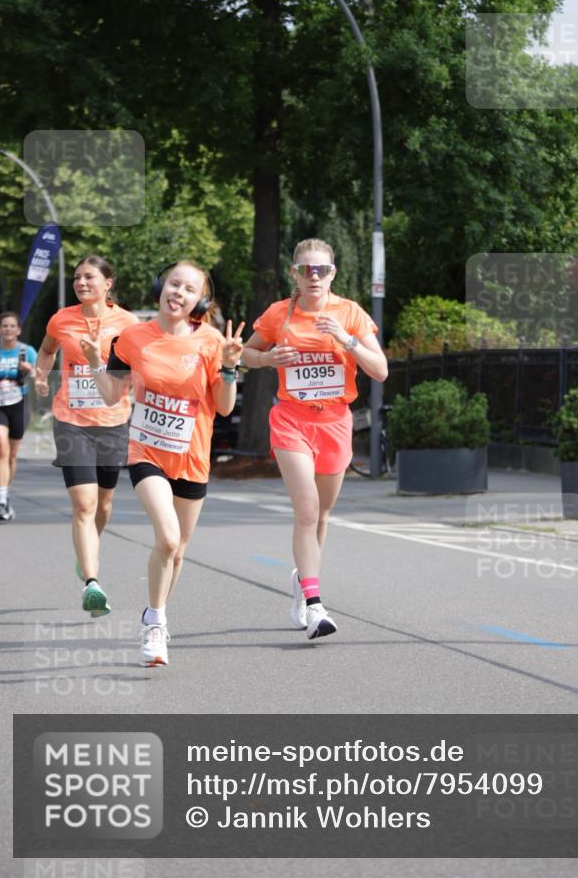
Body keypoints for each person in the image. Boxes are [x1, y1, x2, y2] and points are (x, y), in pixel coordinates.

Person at [82, 261, 244, 668]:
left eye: (189, 289)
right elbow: (109, 396)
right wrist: (92, 362)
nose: (179, 293)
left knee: (178, 549)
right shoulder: (132, 337)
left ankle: (155, 613)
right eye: (174, 283)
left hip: (192, 456)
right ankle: (155, 624)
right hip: (146, 452)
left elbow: (223, 408)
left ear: (199, 300)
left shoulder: (209, 341)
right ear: (161, 286)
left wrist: (229, 367)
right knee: (168, 539)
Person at [241, 238, 388, 640]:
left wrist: (347, 339)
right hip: (291, 419)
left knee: (321, 515)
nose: (314, 277)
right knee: (306, 509)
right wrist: (267, 359)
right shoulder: (278, 314)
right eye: (306, 269)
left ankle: (302, 581)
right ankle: (314, 605)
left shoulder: (350, 313)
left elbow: (380, 370)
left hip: (335, 422)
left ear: (333, 273)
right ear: (294, 273)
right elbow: (243, 356)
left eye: (321, 270)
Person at [34, 255, 138, 616]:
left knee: (103, 505)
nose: (80, 283)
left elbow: (139, 367)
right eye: (77, 277)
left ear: (108, 283)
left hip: (112, 421)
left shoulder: (128, 323)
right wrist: (40, 375)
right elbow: (47, 351)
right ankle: (91, 582)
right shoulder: (62, 319)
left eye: (89, 277)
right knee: (84, 504)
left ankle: (88, 552)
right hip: (71, 419)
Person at [0, 311, 38, 521]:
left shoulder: (26, 351)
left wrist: (30, 370)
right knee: (1, 447)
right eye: (4, 326)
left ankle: (6, 495)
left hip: (20, 405)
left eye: (12, 326)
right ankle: (1, 502)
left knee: (11, 454)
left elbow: (41, 376)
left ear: (18, 330)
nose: (8, 329)